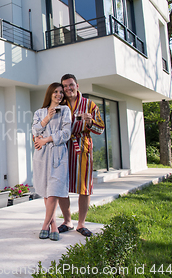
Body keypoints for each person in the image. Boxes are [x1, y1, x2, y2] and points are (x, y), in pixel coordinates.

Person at [57, 74, 105, 237]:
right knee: (61, 186)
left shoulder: (89, 105)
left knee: (84, 187)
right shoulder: (59, 103)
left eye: (70, 85)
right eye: (64, 86)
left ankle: (81, 224)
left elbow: (100, 129)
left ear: (77, 85)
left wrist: (90, 122)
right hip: (62, 148)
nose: (68, 88)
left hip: (82, 148)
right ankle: (67, 221)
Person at [31, 83, 71, 241]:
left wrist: (46, 139)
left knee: (54, 190)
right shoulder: (39, 112)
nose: (59, 95)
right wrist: (47, 118)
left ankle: (44, 225)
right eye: (55, 92)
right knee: (47, 192)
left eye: (61, 92)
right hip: (42, 155)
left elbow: (66, 133)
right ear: (50, 94)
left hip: (58, 154)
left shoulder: (65, 111)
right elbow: (34, 130)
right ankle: (54, 225)